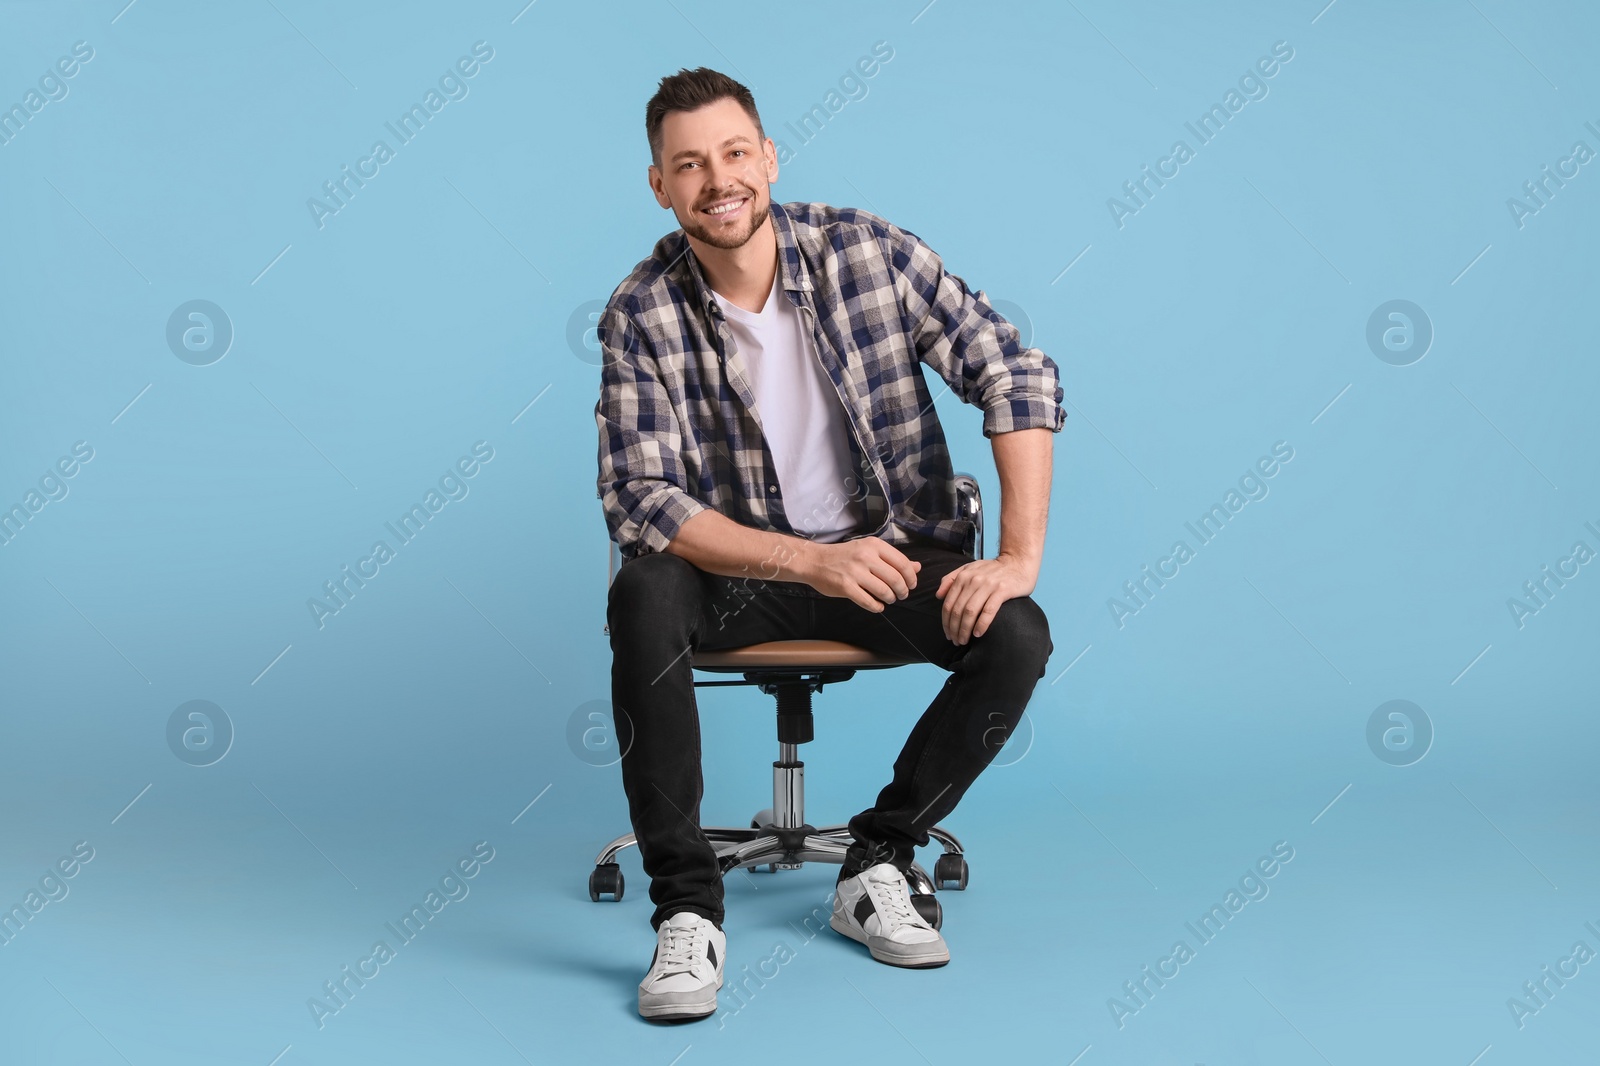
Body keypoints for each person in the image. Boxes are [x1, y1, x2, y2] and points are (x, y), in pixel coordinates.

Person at [595, 66, 1064, 1022]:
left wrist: (1017, 557)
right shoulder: (641, 312)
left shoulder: (868, 253)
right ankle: (687, 911)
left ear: (767, 158)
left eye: (733, 154)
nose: (716, 179)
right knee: (643, 589)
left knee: (1018, 630)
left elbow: (1013, 373)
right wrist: (808, 559)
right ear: (660, 185)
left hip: (889, 563)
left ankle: (879, 859)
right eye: (689, 165)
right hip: (742, 581)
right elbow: (640, 497)